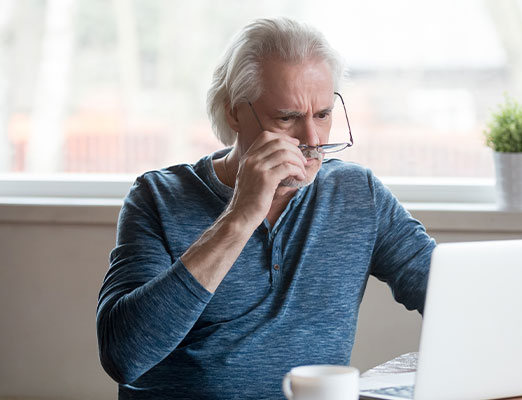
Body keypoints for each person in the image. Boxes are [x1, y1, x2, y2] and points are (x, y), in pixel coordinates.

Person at [97, 17, 435, 399]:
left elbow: (448, 294)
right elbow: (123, 356)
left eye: (322, 115)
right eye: (287, 118)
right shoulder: (157, 197)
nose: (312, 140)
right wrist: (240, 216)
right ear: (233, 112)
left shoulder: (357, 194)